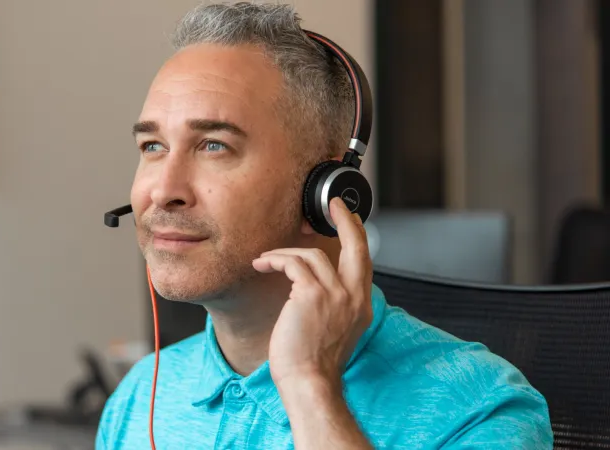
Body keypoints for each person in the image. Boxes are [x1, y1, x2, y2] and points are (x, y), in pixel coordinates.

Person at [97, 2, 553, 449]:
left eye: (214, 145)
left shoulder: (479, 411)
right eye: (152, 146)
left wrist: (309, 386)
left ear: (326, 190)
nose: (162, 191)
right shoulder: (140, 398)